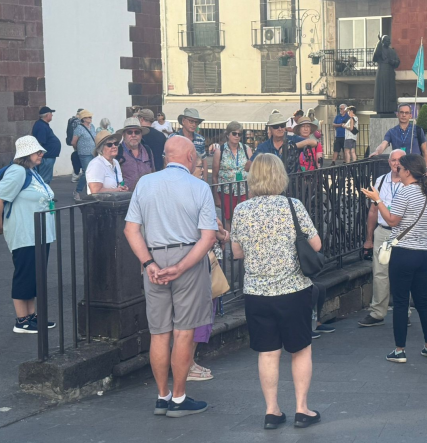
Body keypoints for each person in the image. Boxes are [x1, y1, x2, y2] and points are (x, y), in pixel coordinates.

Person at [123, 136, 218, 418]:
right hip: (187, 258)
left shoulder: (145, 183)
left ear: (165, 157)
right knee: (184, 331)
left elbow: (130, 230)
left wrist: (148, 262)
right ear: (190, 157)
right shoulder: (199, 187)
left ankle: (162, 397)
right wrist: (182, 266)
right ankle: (179, 398)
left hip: (154, 258)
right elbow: (208, 237)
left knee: (159, 332)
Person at [231, 153, 321, 429]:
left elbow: (236, 252)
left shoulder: (241, 210)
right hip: (293, 289)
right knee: (300, 349)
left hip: (257, 292)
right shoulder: (292, 206)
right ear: (280, 175)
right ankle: (302, 409)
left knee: (268, 352)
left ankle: (272, 411)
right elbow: (315, 245)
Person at [361, 154, 427, 363]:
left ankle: (400, 349)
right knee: (423, 300)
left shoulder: (405, 193)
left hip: (404, 252)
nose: (397, 170)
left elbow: (393, 221)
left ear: (408, 171)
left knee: (401, 302)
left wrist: (377, 200)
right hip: (423, 252)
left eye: (401, 168)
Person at [0, 136, 56, 334]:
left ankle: (31, 316)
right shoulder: (17, 171)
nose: (41, 154)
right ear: (27, 154)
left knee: (35, 275)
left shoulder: (31, 172)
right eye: (38, 152)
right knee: (25, 274)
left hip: (38, 232)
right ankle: (22, 320)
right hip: (25, 232)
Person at [188, 153, 230, 382]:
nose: (202, 170)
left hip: (201, 255)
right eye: (197, 166)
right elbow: (210, 226)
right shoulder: (196, 190)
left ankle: (188, 361)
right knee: (200, 314)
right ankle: (188, 363)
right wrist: (223, 233)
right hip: (203, 257)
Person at [359, 149, 408, 327]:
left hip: (402, 232)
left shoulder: (410, 183)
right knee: (380, 272)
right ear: (389, 163)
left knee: (403, 272)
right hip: (383, 230)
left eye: (400, 160)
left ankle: (405, 311)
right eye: (393, 160)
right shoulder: (380, 181)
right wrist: (369, 238)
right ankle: (378, 312)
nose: (396, 163)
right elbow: (373, 211)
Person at [246, 112, 317, 174]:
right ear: (270, 129)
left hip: (292, 184)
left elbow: (313, 142)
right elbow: (248, 167)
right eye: (276, 126)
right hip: (272, 185)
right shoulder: (264, 147)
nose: (280, 129)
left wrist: (291, 146)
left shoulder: (293, 139)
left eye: (282, 125)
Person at [211, 121, 252, 221]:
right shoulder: (220, 151)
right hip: (227, 190)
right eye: (234, 133)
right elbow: (214, 176)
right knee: (229, 218)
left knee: (246, 217)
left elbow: (253, 171)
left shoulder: (246, 149)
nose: (237, 136)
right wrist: (216, 197)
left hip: (244, 190)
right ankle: (230, 236)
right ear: (228, 134)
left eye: (239, 134)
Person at [370, 104, 427, 168]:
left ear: (410, 116)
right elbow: (383, 144)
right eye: (401, 112)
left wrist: (426, 169)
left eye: (406, 113)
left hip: (415, 167)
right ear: (397, 114)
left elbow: (425, 151)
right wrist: (377, 151)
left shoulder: (418, 130)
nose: (404, 115)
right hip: (399, 168)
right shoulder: (392, 131)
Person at [117, 117, 154, 191]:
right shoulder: (118, 151)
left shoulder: (147, 150)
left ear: (141, 135)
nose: (133, 135)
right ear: (124, 135)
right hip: (126, 198)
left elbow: (153, 171)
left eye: (137, 132)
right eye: (129, 132)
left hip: (146, 195)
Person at [31, 106, 61, 184]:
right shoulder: (41, 126)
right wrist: (39, 156)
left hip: (48, 156)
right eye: (51, 114)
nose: (52, 115)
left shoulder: (43, 125)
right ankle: (43, 195)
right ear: (47, 115)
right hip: (46, 157)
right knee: (45, 178)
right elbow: (40, 142)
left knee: (46, 177)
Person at [71, 109, 97, 200]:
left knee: (93, 173)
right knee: (86, 173)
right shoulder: (79, 128)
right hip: (84, 154)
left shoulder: (92, 127)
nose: (91, 118)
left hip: (94, 152)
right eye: (89, 117)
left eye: (91, 117)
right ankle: (77, 191)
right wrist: (78, 149)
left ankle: (90, 191)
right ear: (84, 118)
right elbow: (73, 142)